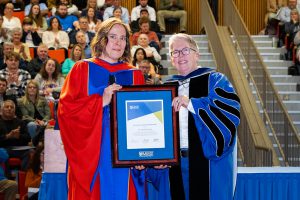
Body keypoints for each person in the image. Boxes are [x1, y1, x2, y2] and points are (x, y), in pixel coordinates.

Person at [57, 18, 153, 199]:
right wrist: (100, 101)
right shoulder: (81, 69)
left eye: (123, 38)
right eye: (113, 36)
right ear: (102, 39)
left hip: (126, 154)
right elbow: (66, 111)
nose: (118, 42)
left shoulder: (135, 74)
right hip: (93, 151)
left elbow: (145, 119)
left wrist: (143, 155)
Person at [165, 33, 240, 200]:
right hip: (174, 163)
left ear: (196, 54)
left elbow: (229, 112)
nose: (180, 56)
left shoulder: (215, 80)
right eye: (174, 52)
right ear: (171, 59)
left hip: (206, 162)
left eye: (185, 50)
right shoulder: (165, 87)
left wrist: (191, 103)